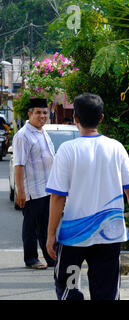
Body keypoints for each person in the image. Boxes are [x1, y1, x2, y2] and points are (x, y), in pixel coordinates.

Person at [45, 93, 129, 300]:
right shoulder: (116, 148)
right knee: (106, 292)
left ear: (75, 118)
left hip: (73, 237)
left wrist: (50, 234)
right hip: (109, 235)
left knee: (69, 287)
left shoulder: (67, 150)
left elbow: (57, 197)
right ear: (101, 118)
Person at [13, 98, 56, 269]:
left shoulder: (42, 132)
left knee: (46, 225)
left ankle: (51, 258)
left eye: (45, 112)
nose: (42, 116)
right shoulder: (23, 135)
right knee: (30, 227)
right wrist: (20, 191)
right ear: (29, 114)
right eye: (38, 112)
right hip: (32, 191)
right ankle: (31, 259)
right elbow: (19, 165)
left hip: (46, 190)